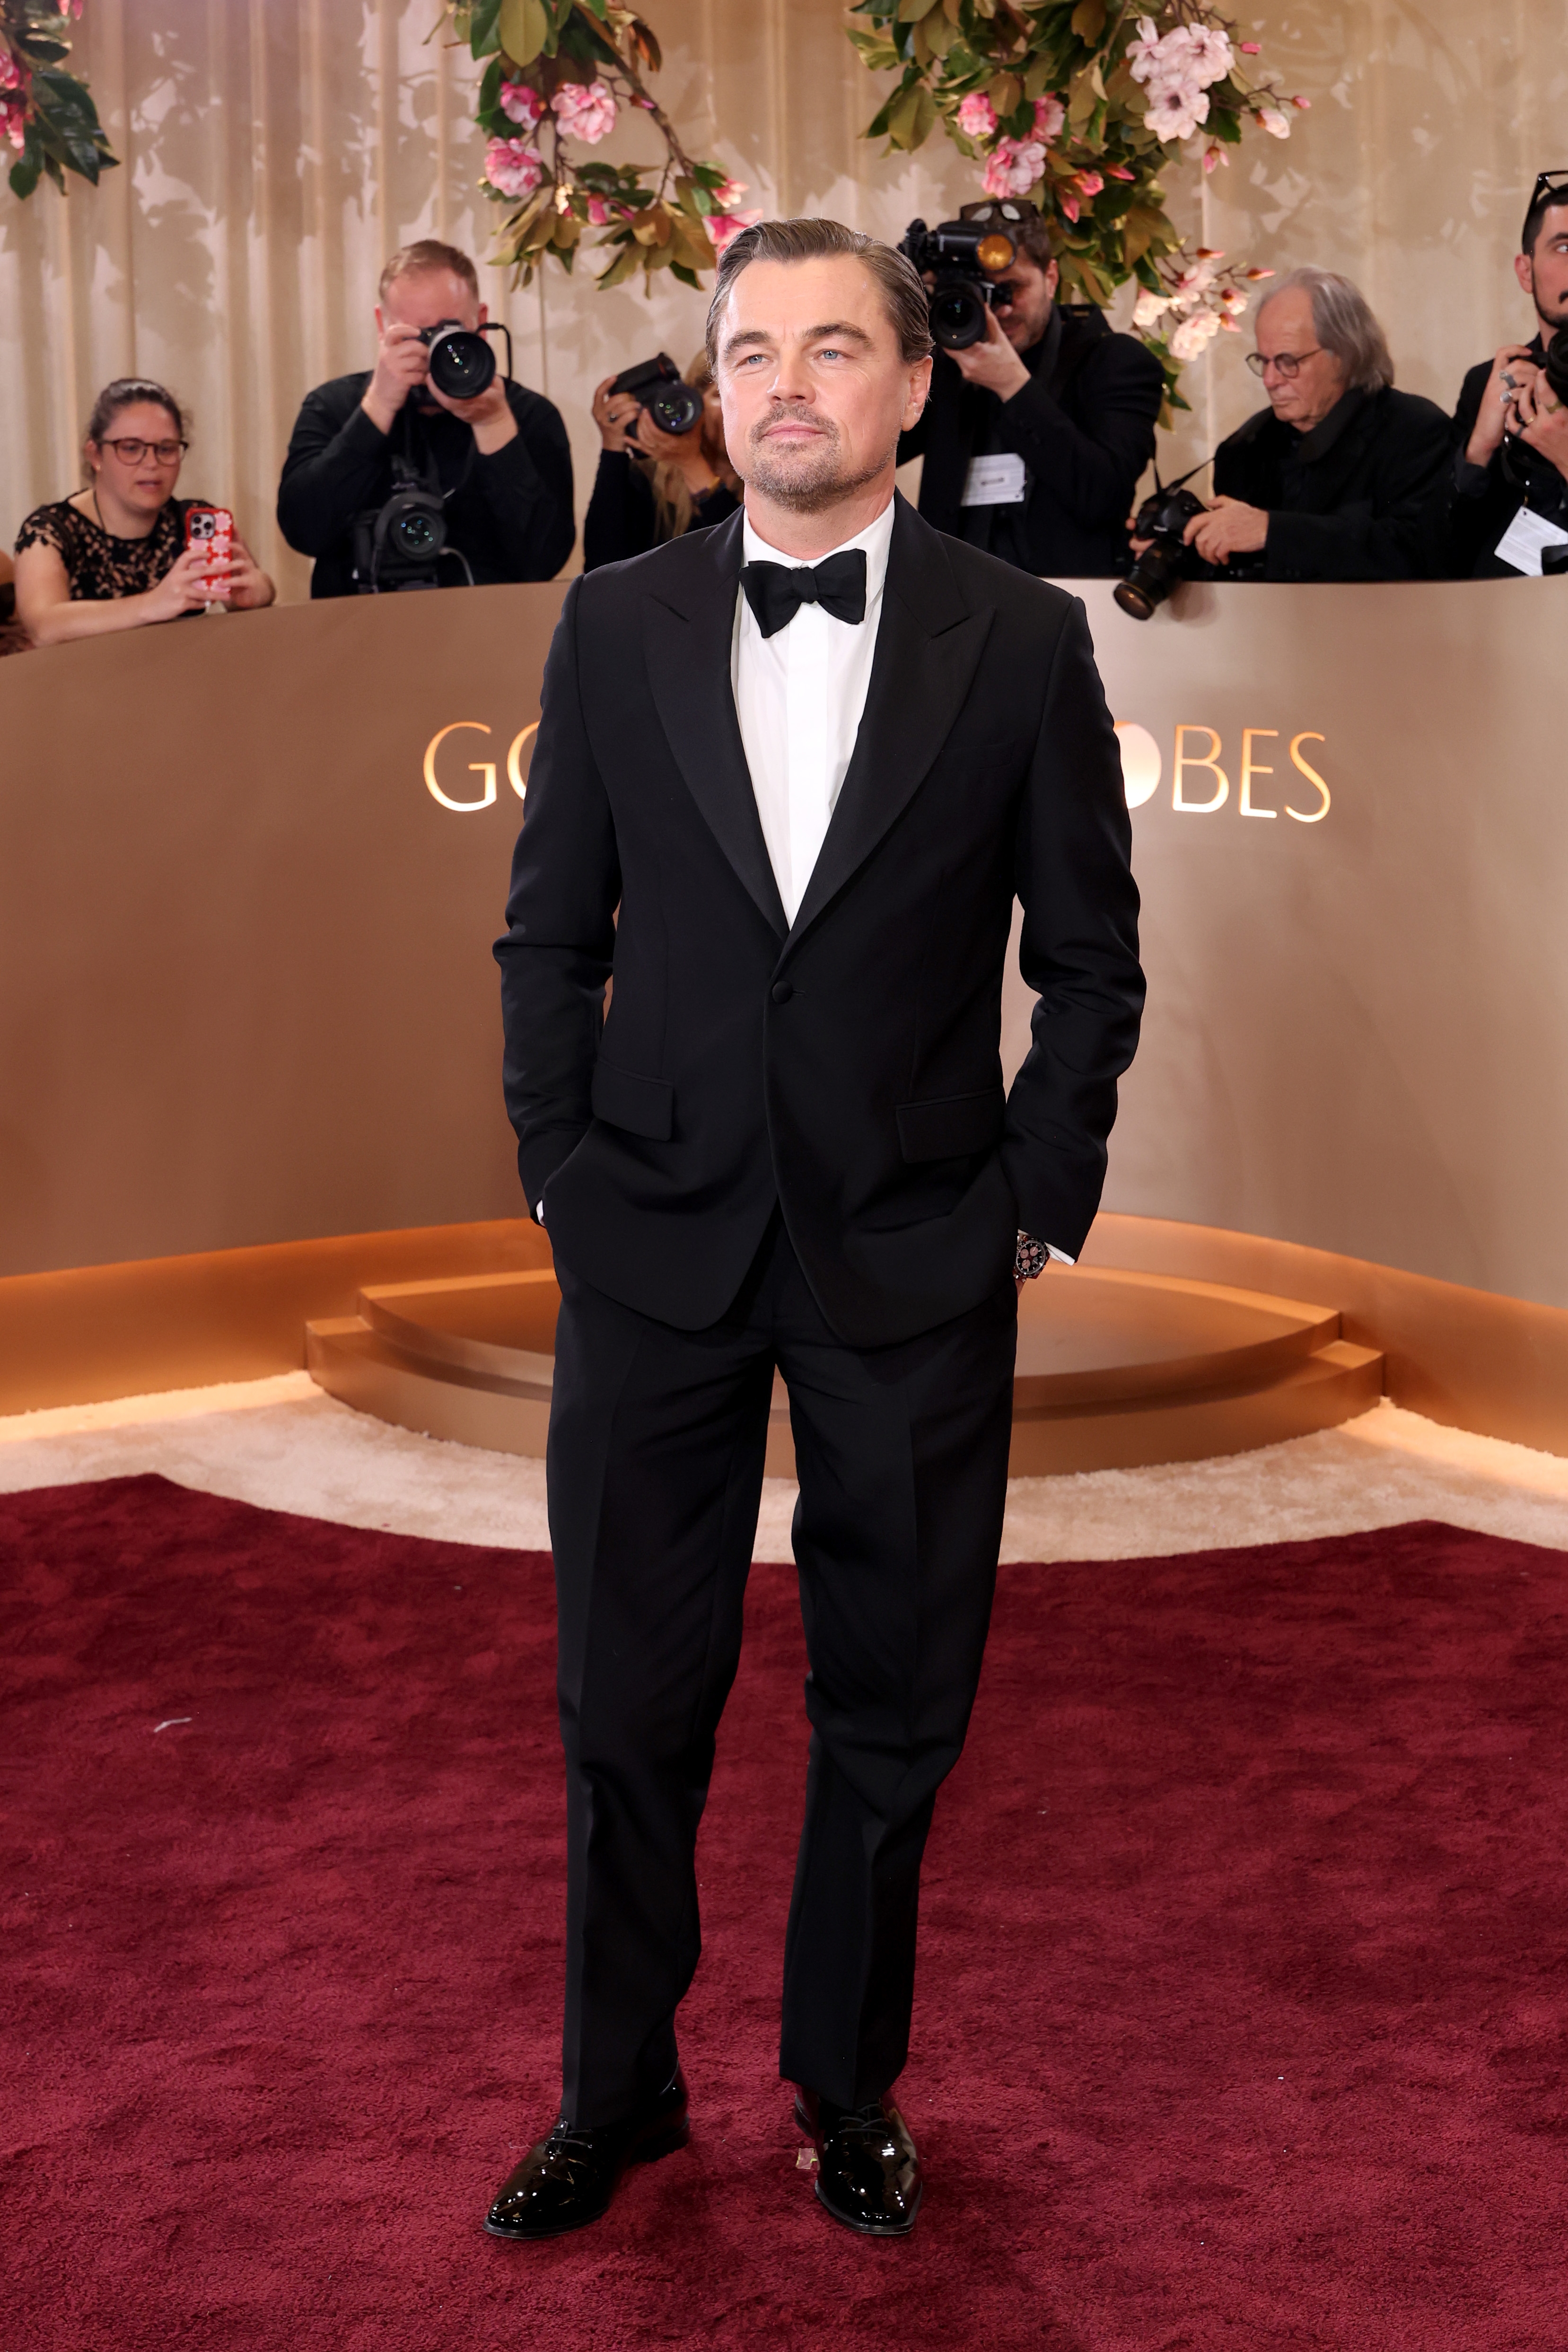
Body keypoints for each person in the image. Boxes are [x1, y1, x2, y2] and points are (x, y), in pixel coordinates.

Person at [487, 216, 1144, 2244]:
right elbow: (549, 931)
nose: (787, 382)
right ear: (717, 387)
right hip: (651, 1241)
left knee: (895, 1697)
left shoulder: (1019, 638)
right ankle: (614, 2091)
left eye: (834, 346)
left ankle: (848, 2083)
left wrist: (1031, 1198)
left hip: (916, 1249)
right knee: (623, 1699)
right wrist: (560, 1166)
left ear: (912, 383)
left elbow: (1089, 960)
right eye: (752, 348)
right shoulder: (615, 623)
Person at [276, 238, 573, 596]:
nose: (434, 350)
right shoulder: (333, 406)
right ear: (382, 325)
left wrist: (492, 425)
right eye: (416, 335)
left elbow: (543, 562)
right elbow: (304, 532)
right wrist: (378, 408)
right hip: (358, 625)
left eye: (449, 331)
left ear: (480, 321)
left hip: (488, 626)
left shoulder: (527, 415)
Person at [895, 197, 1164, 577]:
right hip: (951, 593)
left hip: (1070, 597)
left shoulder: (1113, 361)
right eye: (984, 293)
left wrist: (1012, 386)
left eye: (1012, 289)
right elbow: (875, 449)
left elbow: (1105, 498)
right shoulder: (944, 366)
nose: (1000, 310)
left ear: (1050, 278)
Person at [1179, 267, 1450, 579]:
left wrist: (1273, 531)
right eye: (1264, 361)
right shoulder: (1244, 449)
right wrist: (1184, 548)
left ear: (1344, 356)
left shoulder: (1415, 431)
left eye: (1288, 362)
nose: (1270, 380)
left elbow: (1419, 553)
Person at [12, 378, 274, 647]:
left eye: (166, 449)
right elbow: (44, 626)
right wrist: (152, 604)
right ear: (95, 455)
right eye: (131, 448)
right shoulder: (50, 531)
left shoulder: (195, 520)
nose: (151, 464)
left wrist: (259, 592)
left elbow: (251, 592)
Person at [1440, 170, 1568, 576]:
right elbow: (1439, 557)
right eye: (1564, 247)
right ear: (1525, 271)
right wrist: (1478, 449)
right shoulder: (1489, 383)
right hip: (1501, 609)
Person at [582, 351, 741, 569]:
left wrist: (691, 464)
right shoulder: (649, 476)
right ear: (693, 401)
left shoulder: (770, 481)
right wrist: (613, 449)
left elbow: (746, 563)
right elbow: (600, 567)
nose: (737, 409)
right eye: (722, 395)